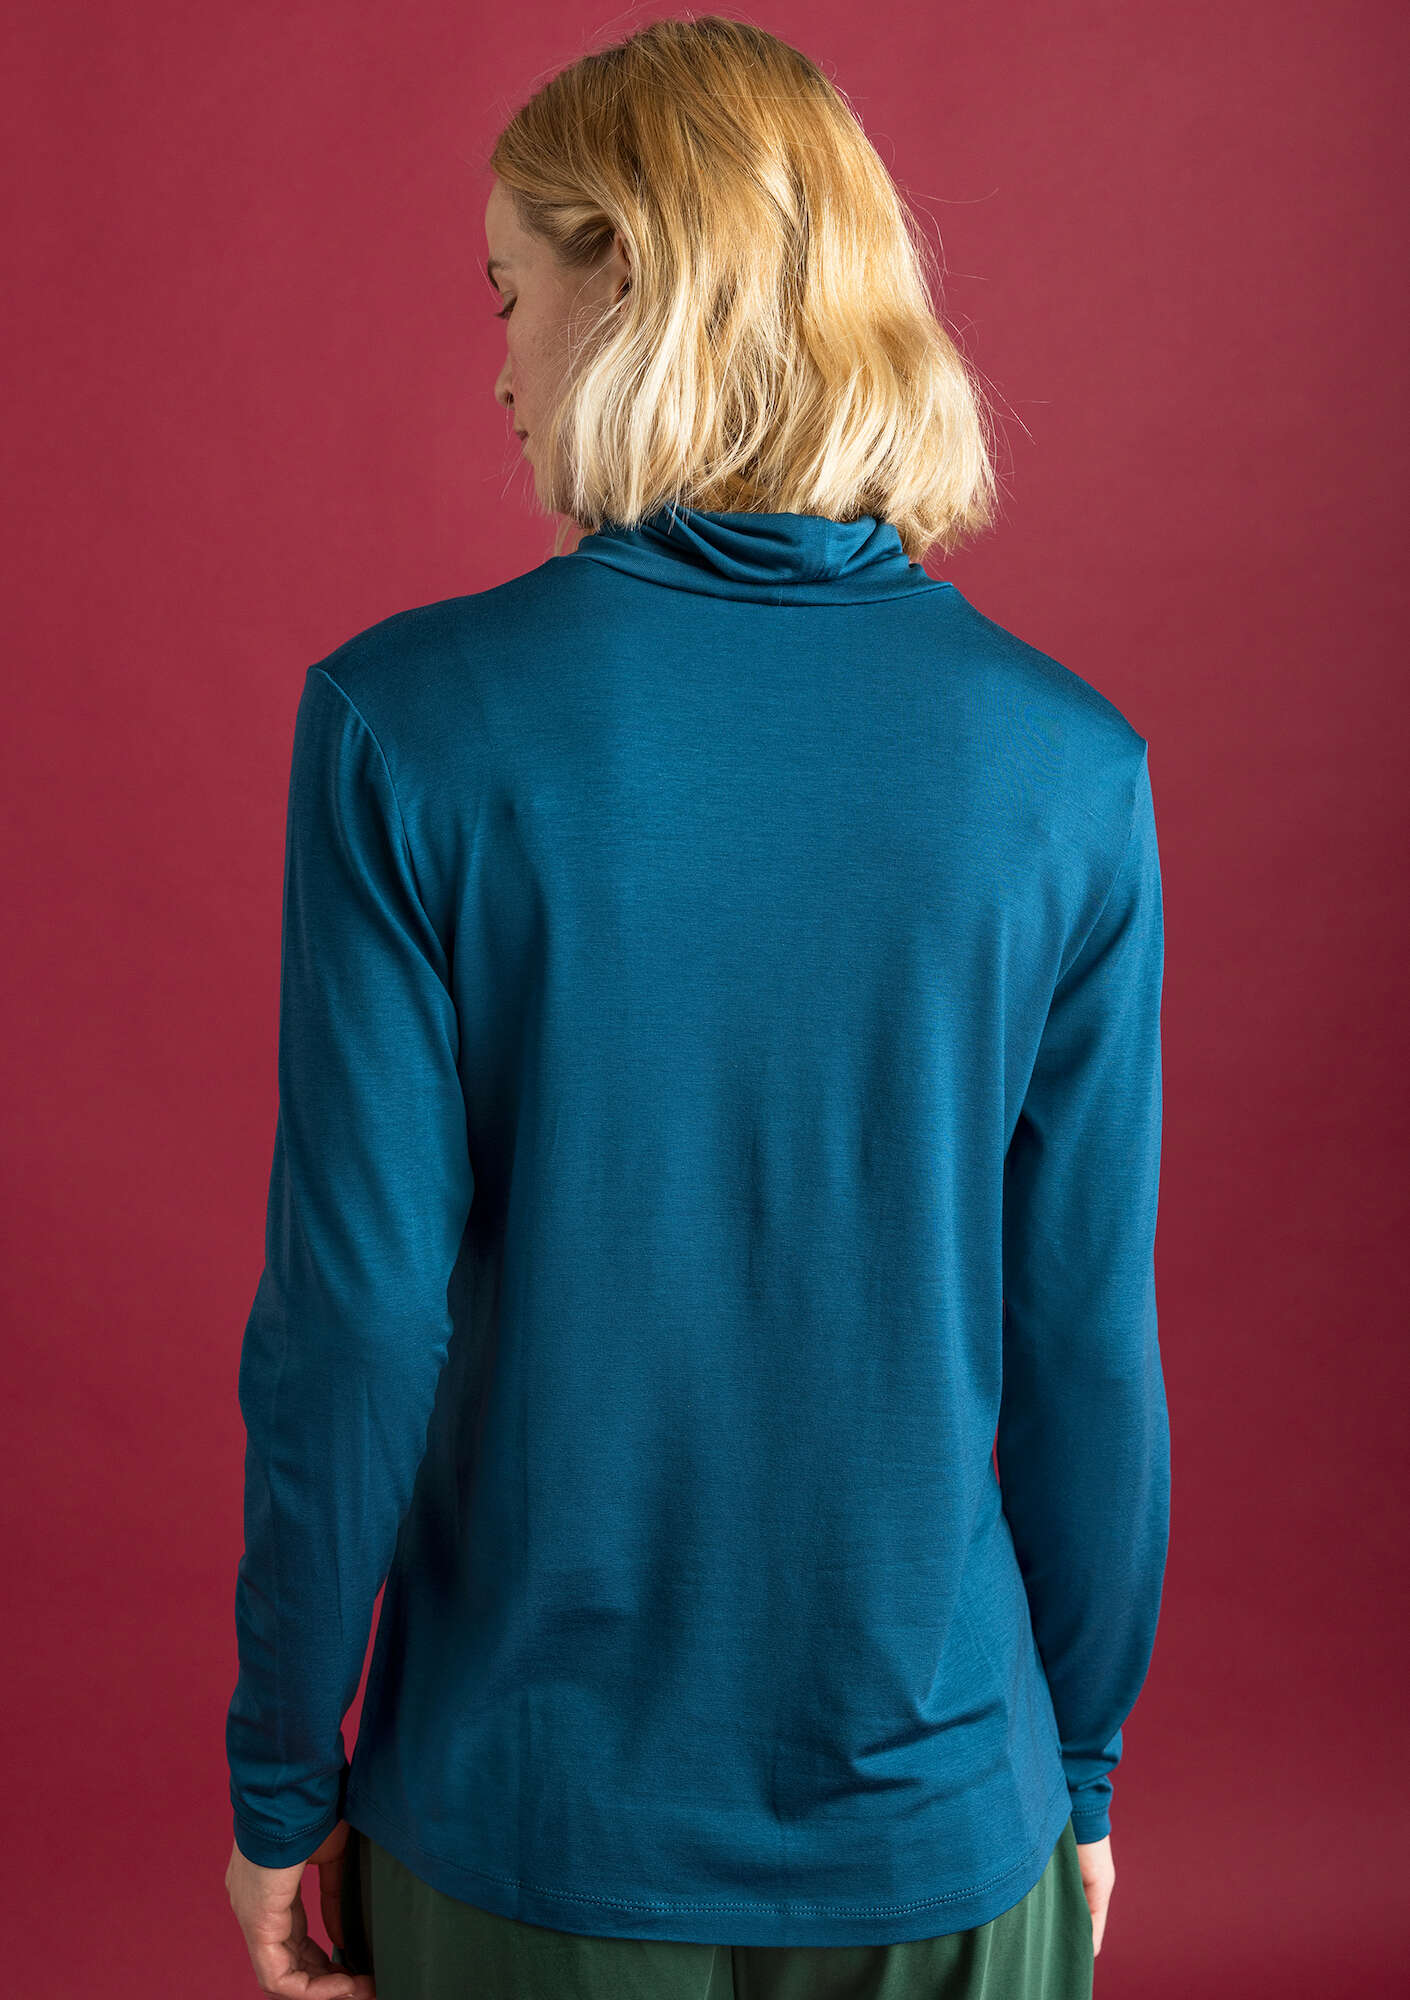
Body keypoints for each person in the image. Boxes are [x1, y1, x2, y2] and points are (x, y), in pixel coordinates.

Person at [224, 16, 1168, 1999]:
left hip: (526, 1831)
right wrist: (1075, 1771)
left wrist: (281, 1780)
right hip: (949, 1827)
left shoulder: (410, 726)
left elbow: (355, 1321)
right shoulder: (1070, 769)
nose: (499, 363)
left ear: (626, 280)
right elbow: (1086, 1343)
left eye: (509, 288)